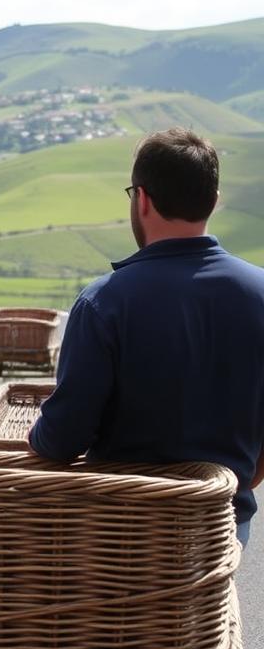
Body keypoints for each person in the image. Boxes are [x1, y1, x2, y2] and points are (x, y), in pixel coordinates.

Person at [28, 128, 264, 549]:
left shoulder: (103, 303)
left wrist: (38, 431)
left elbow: (62, 441)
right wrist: (239, 478)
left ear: (142, 199)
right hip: (222, 528)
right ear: (213, 200)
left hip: (121, 538)